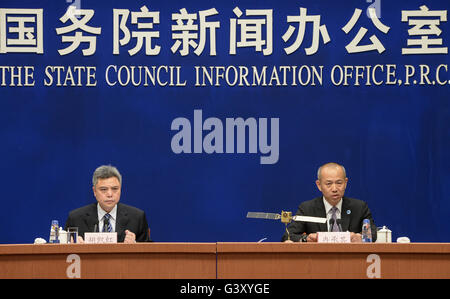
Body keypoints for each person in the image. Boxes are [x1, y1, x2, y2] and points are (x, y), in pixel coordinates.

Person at [282, 162, 377, 242]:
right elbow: (288, 236)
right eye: (329, 184)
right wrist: (307, 239)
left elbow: (372, 234)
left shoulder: (359, 207)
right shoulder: (307, 208)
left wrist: (359, 237)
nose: (334, 189)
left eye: (339, 183)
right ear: (319, 185)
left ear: (345, 183)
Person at [65, 165, 151, 243]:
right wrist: (74, 247)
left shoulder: (137, 217)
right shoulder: (76, 219)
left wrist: (135, 246)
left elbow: (148, 255)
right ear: (94, 191)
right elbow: (64, 253)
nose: (110, 194)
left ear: (120, 189)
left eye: (114, 189)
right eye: (103, 189)